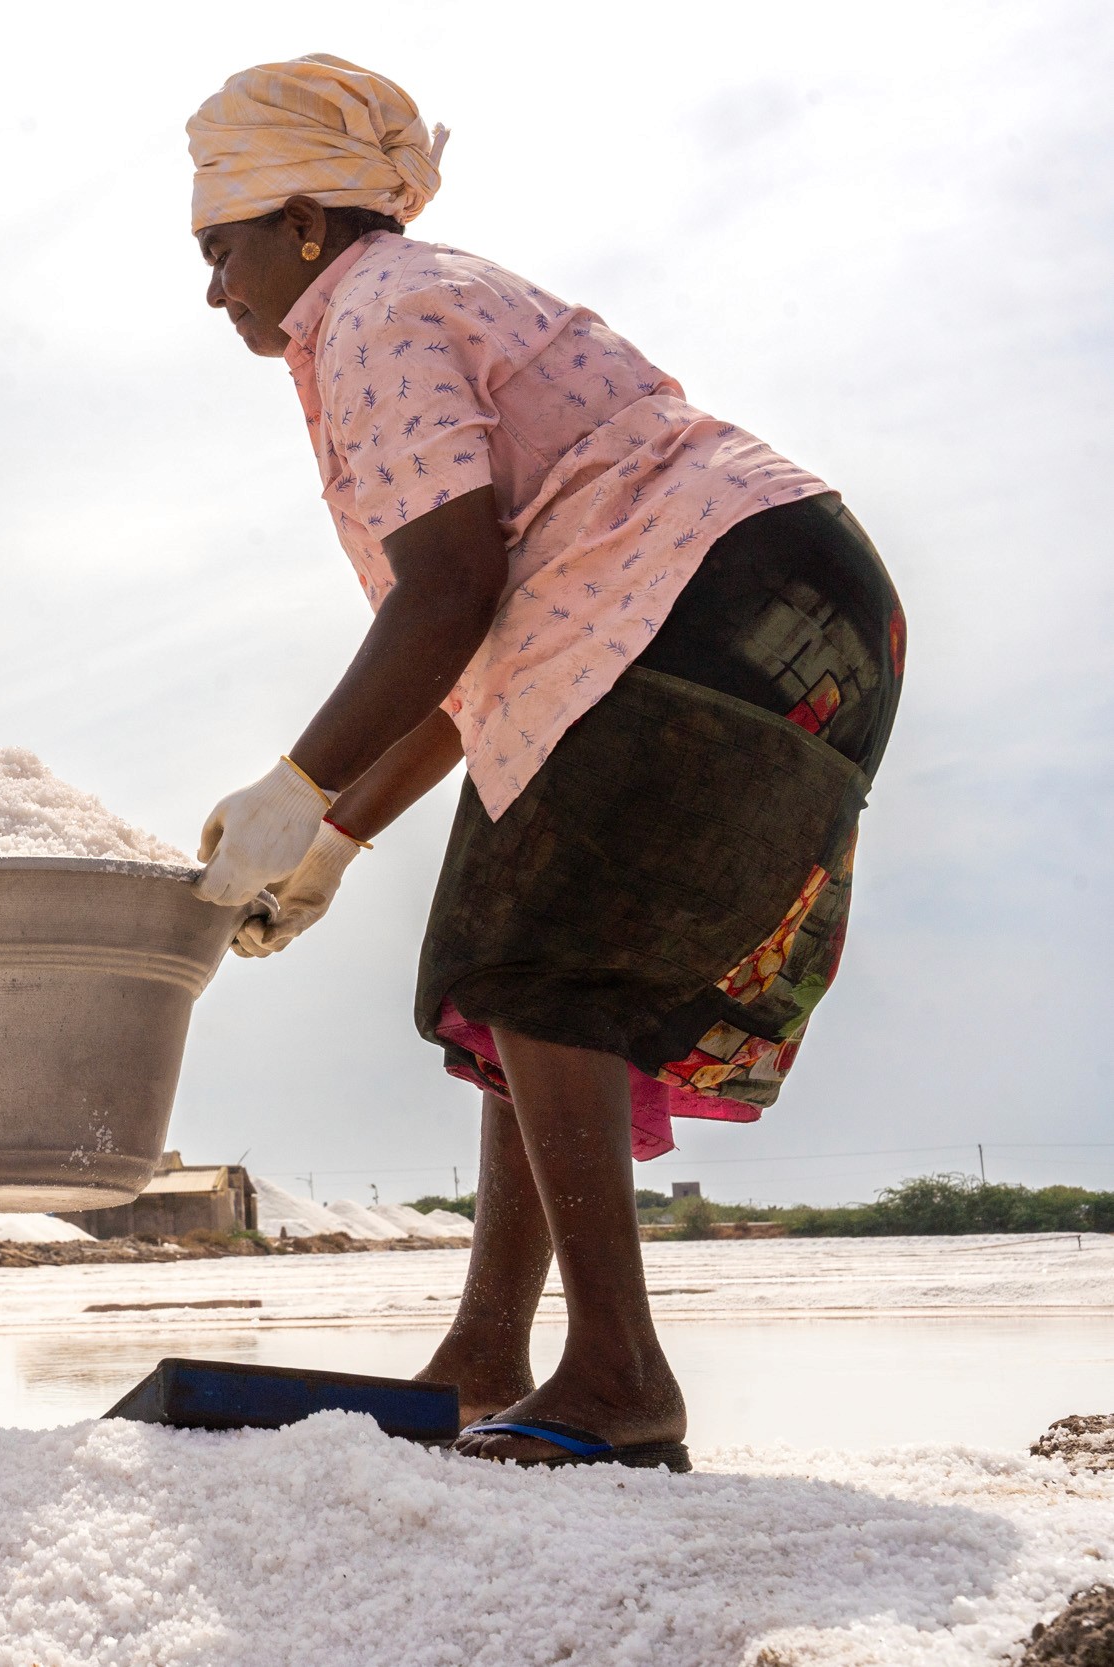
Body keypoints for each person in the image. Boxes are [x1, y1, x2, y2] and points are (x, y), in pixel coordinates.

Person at [186, 57, 904, 1468]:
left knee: (532, 957)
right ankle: (486, 1355)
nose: (217, 289)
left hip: (698, 596)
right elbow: (485, 662)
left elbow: (448, 589)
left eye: (224, 246)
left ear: (309, 227)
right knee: (503, 964)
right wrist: (336, 837)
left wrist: (297, 781)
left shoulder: (371, 312)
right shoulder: (418, 295)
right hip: (788, 605)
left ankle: (620, 1377)